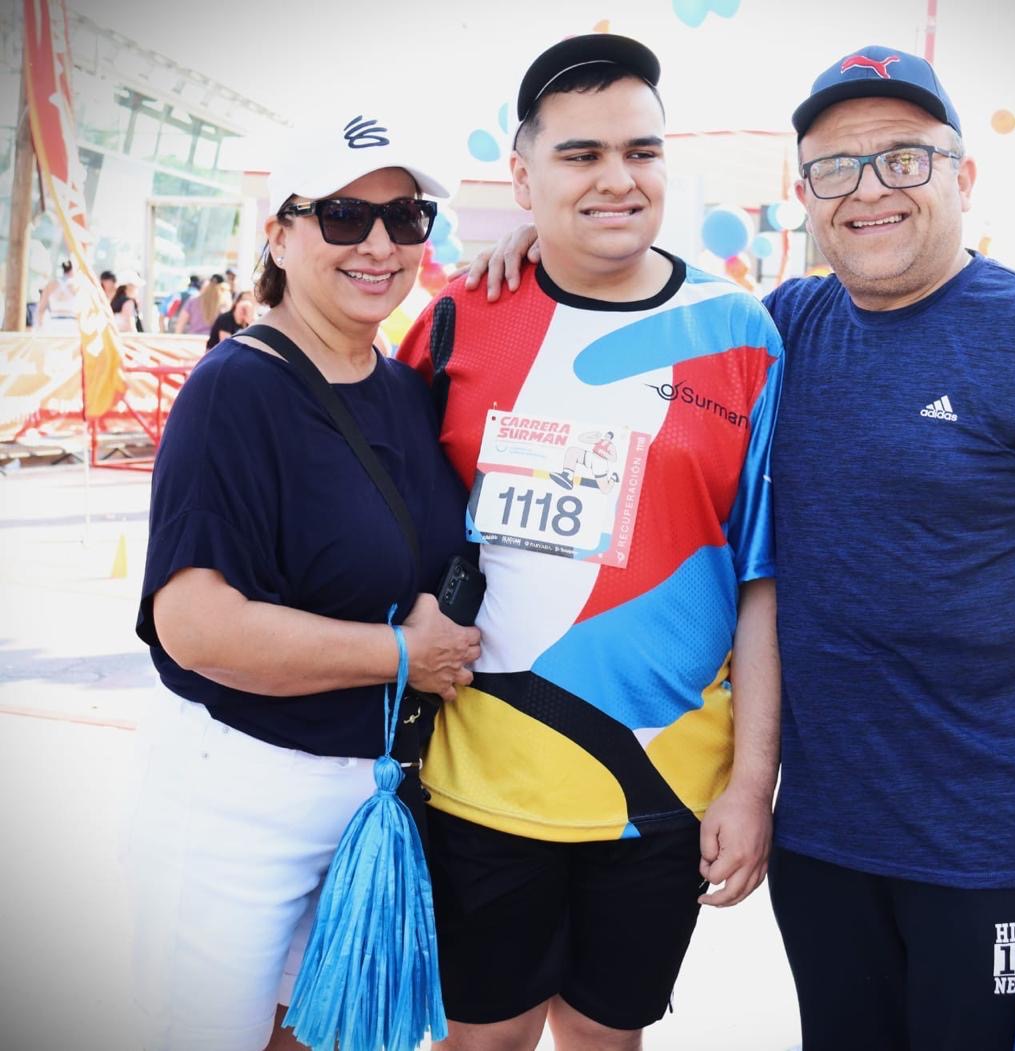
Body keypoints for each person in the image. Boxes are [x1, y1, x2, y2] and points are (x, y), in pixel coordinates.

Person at [472, 43, 1015, 1051]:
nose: (868, 190)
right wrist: (525, 249)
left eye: (903, 159)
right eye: (836, 168)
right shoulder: (786, 325)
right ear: (804, 195)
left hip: (999, 840)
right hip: (827, 836)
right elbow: (639, 305)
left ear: (963, 176)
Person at [395, 33, 783, 1051]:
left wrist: (750, 785)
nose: (618, 178)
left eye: (640, 151)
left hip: (661, 785)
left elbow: (762, 580)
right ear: (523, 177)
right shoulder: (460, 317)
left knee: (606, 1040)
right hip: (476, 776)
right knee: (481, 1039)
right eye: (581, 155)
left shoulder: (740, 332)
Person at [127, 112, 480, 1051]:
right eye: (342, 215)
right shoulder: (234, 391)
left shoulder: (404, 386)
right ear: (279, 236)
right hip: (240, 798)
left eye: (406, 217)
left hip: (375, 799)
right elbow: (196, 624)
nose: (379, 244)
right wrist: (402, 654)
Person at [34, 259, 79, 332]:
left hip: (54, 324)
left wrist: (39, 326)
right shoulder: (77, 285)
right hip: (71, 324)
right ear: (73, 270)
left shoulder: (50, 285)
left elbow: (41, 308)